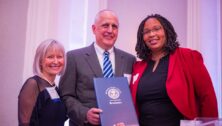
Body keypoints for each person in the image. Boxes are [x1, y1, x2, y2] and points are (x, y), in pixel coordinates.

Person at [129, 14, 218, 126]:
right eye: (146, 32)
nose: (152, 34)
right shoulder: (137, 67)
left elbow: (207, 97)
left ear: (166, 31)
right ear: (142, 38)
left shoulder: (188, 57)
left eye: (157, 29)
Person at [59, 9, 136, 126]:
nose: (110, 30)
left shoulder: (129, 60)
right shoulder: (74, 57)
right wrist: (85, 114)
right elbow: (66, 95)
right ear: (94, 29)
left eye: (114, 26)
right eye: (105, 25)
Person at [18, 39, 67, 126]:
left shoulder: (55, 88)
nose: (56, 61)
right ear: (40, 61)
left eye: (59, 57)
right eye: (50, 57)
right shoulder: (33, 84)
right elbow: (24, 123)